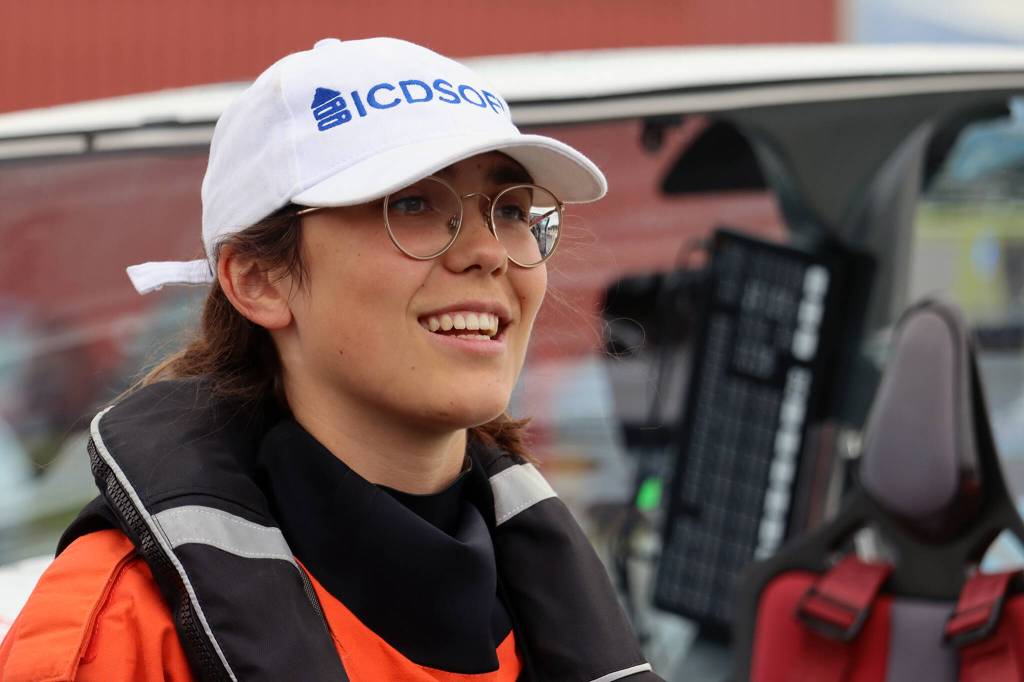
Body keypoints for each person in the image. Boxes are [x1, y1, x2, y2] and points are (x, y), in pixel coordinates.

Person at [0, 38, 661, 681]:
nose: (489, 251)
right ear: (257, 279)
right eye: (412, 203)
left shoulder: (552, 595)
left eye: (512, 209)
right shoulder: (120, 635)